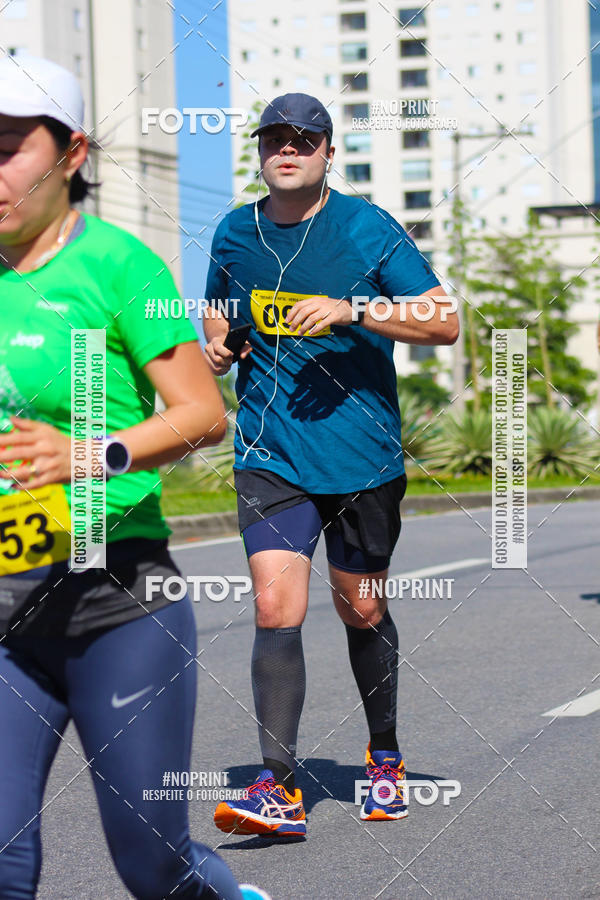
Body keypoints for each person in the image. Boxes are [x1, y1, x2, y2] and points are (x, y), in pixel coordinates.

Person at [0, 55, 270, 900]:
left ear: (70, 152)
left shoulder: (125, 267)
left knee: (151, 862)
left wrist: (84, 454)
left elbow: (201, 416)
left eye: (8, 144)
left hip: (118, 601)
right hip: (7, 609)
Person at [203, 93, 458, 837]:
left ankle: (383, 760)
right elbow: (221, 313)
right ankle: (277, 790)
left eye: (302, 138)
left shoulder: (366, 228)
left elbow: (442, 319)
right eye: (273, 138)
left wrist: (353, 309)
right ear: (260, 151)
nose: (286, 149)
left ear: (326, 151)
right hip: (270, 454)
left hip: (362, 460)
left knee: (363, 607)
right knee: (275, 607)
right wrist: (218, 346)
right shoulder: (233, 232)